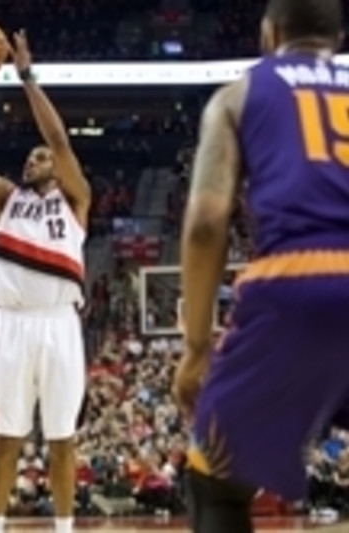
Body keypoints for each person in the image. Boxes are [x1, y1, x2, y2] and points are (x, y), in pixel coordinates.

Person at [173, 0, 349, 532]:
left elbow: (206, 222)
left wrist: (198, 347)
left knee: (216, 477)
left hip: (298, 277)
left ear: (268, 35)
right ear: (338, 39)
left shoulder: (239, 94)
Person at [0, 30, 90, 533]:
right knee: (7, 437)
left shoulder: (75, 199)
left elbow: (59, 140)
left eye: (41, 158)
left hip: (59, 324)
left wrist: (26, 76)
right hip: (13, 326)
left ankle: (65, 527)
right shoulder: (7, 198)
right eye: (29, 157)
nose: (35, 159)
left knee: (61, 439)